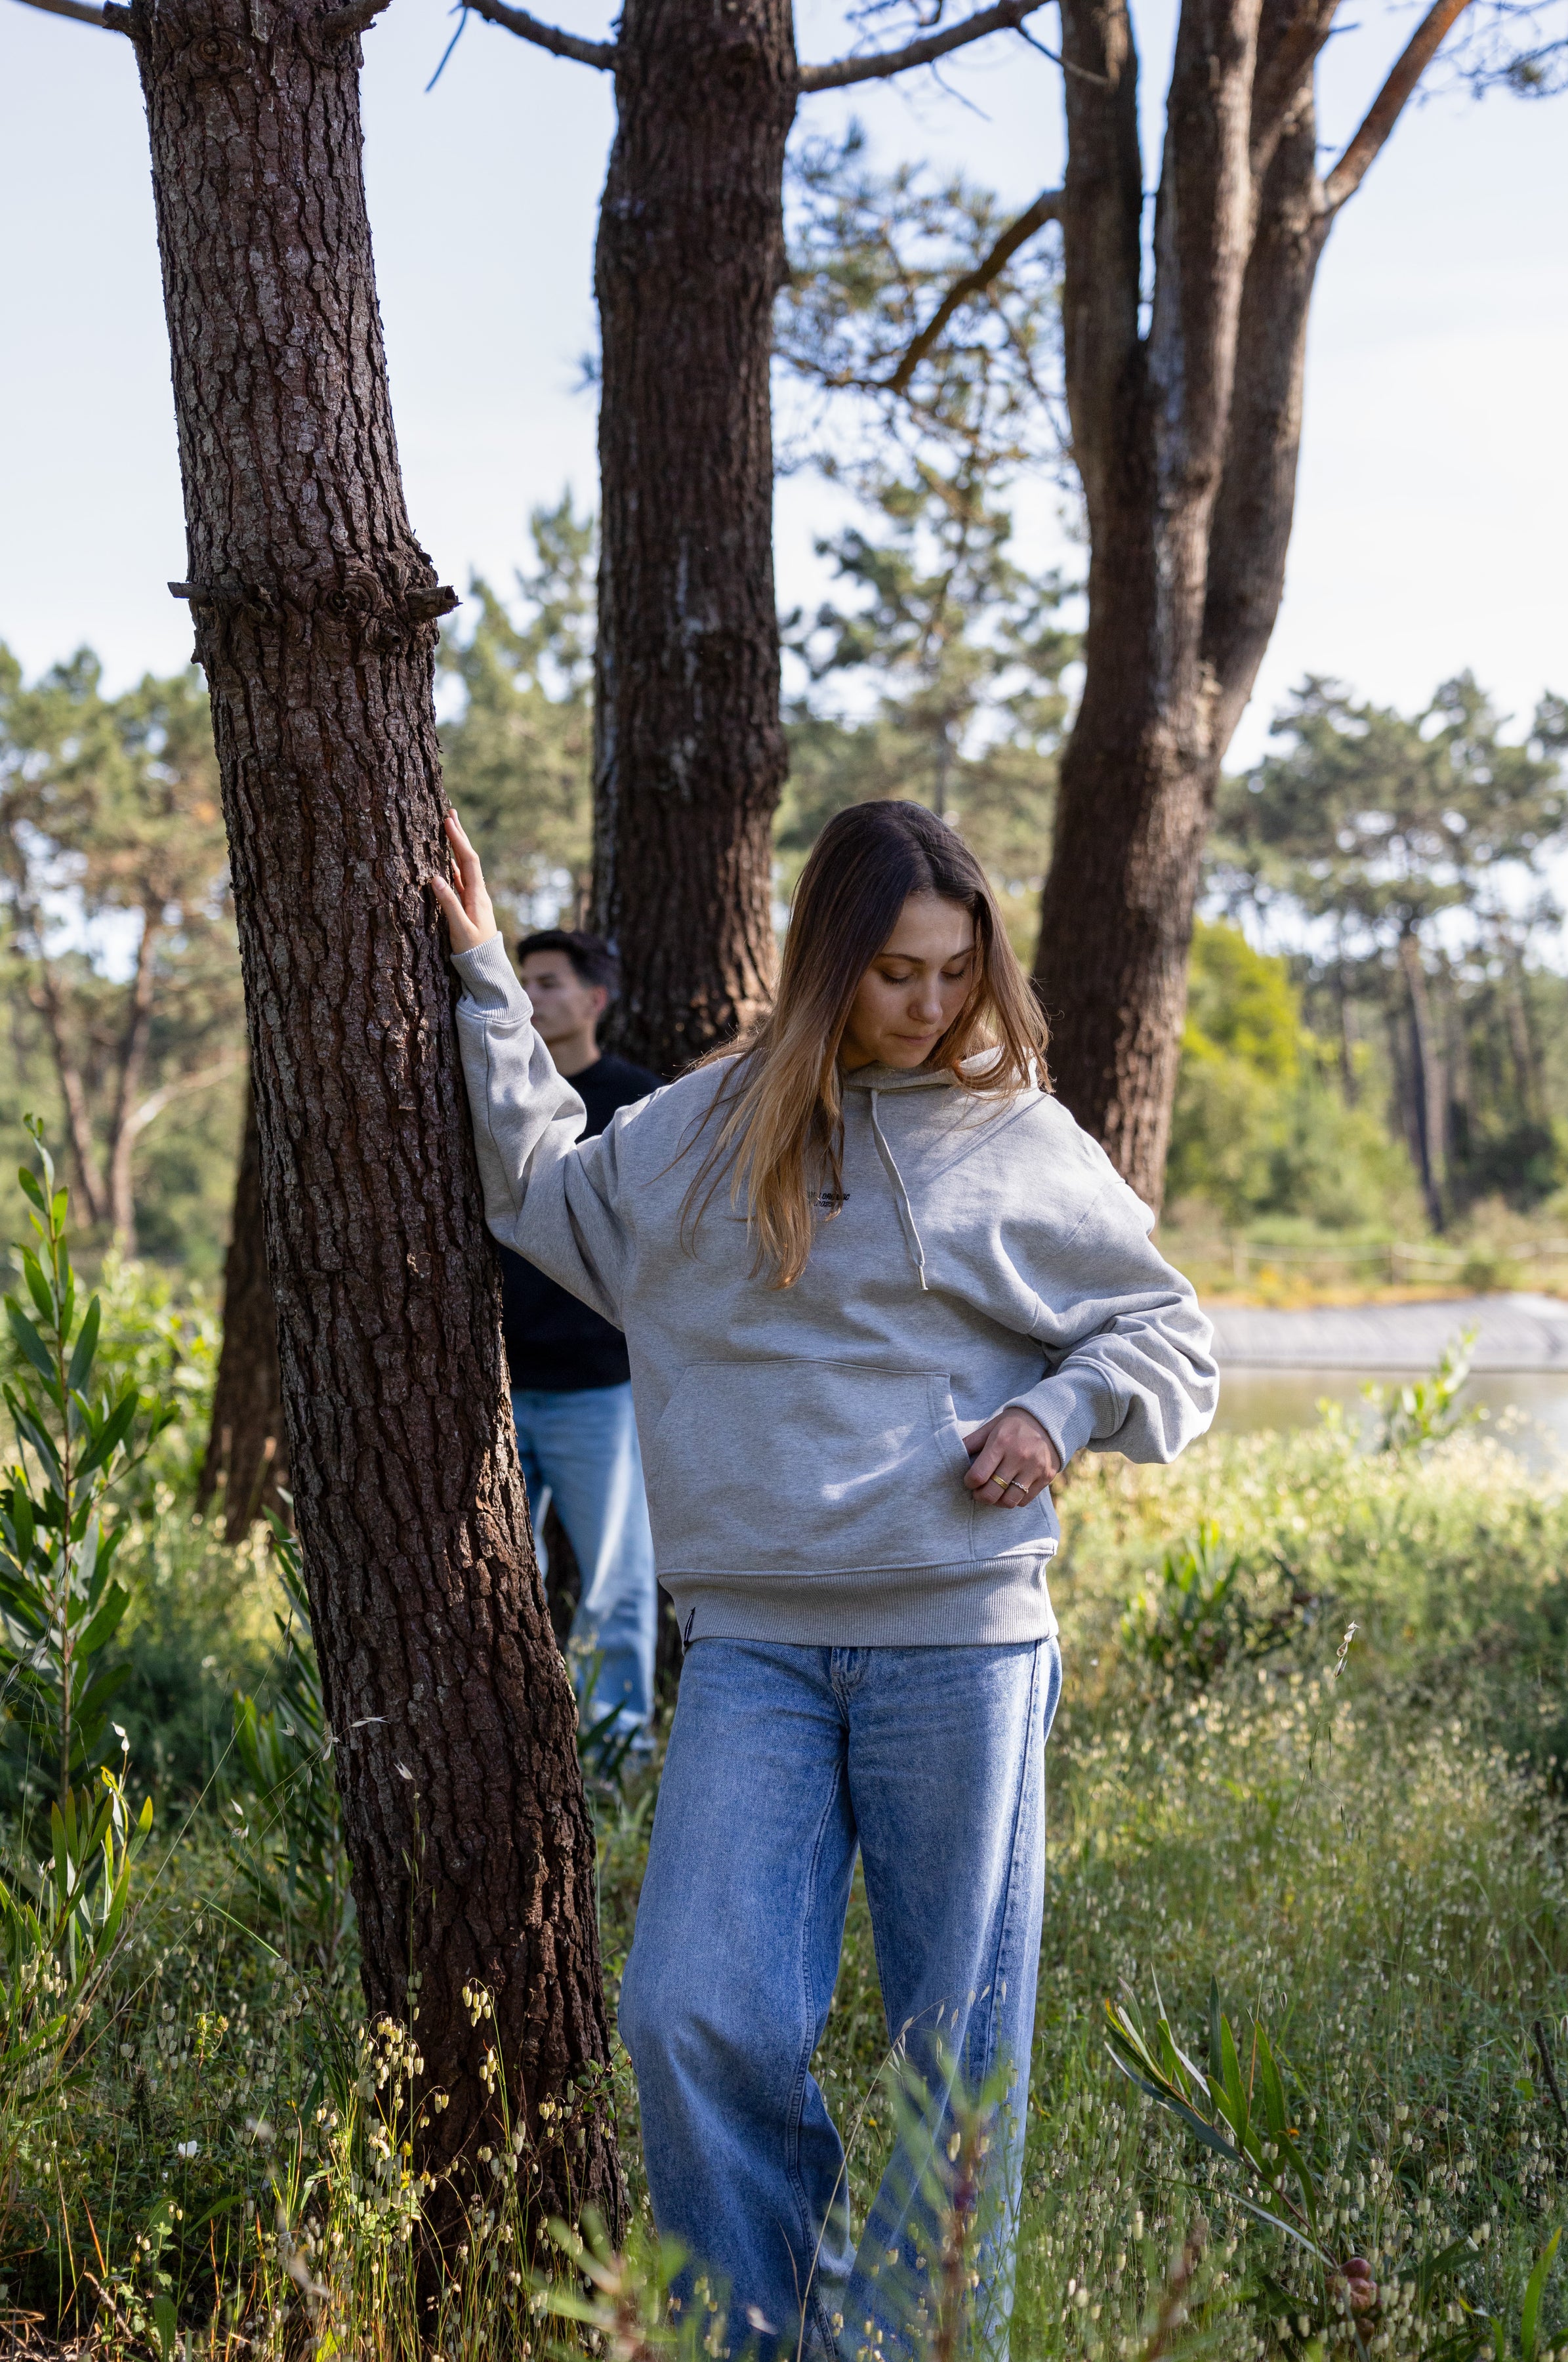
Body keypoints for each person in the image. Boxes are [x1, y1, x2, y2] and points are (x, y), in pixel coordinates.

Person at [432, 800, 1218, 2361]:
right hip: (752, 1648)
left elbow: (1170, 1336)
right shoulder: (709, 1129)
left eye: (951, 973)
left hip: (963, 1641)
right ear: (823, 968)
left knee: (953, 2051)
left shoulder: (1015, 1135)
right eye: (891, 976)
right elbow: (537, 1187)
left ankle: (904, 2344)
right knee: (689, 2011)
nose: (928, 1009)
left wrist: (1052, 1411)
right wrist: (476, 964)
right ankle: (751, 2335)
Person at [499, 928, 661, 1749]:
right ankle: (505, 1749)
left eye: (550, 982)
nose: (531, 996)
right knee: (487, 1588)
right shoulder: (500, 1100)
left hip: (601, 1388)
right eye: (523, 980)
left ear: (594, 1000)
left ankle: (617, 1752)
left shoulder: (640, 1104)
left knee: (614, 1584)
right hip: (490, 1389)